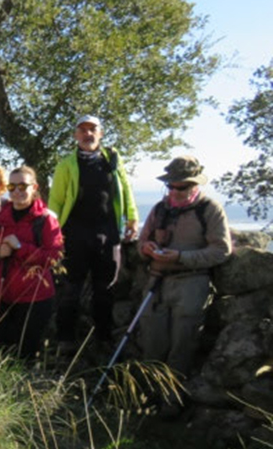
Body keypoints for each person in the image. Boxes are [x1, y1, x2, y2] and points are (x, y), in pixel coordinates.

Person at [137, 156, 231, 380]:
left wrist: (181, 257)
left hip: (192, 283)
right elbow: (141, 243)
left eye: (183, 186)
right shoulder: (160, 209)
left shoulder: (210, 209)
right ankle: (150, 396)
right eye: (172, 186)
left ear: (196, 184)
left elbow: (221, 250)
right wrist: (147, 249)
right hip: (156, 282)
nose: (176, 191)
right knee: (152, 343)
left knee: (183, 346)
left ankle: (172, 401)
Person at [50, 115, 139, 352]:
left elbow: (126, 190)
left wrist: (132, 217)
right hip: (74, 234)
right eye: (83, 130)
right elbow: (56, 202)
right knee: (70, 289)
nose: (88, 134)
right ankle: (65, 340)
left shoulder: (113, 160)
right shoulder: (66, 165)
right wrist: (53, 234)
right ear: (76, 135)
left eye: (93, 130)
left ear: (100, 134)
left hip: (108, 233)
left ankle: (104, 338)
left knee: (105, 289)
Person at [0, 166, 64, 357]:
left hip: (35, 299)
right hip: (1, 297)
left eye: (22, 186)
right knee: (1, 354)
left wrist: (20, 247)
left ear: (34, 187)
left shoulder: (46, 220)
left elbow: (54, 258)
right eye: (12, 186)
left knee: (26, 355)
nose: (17, 191)